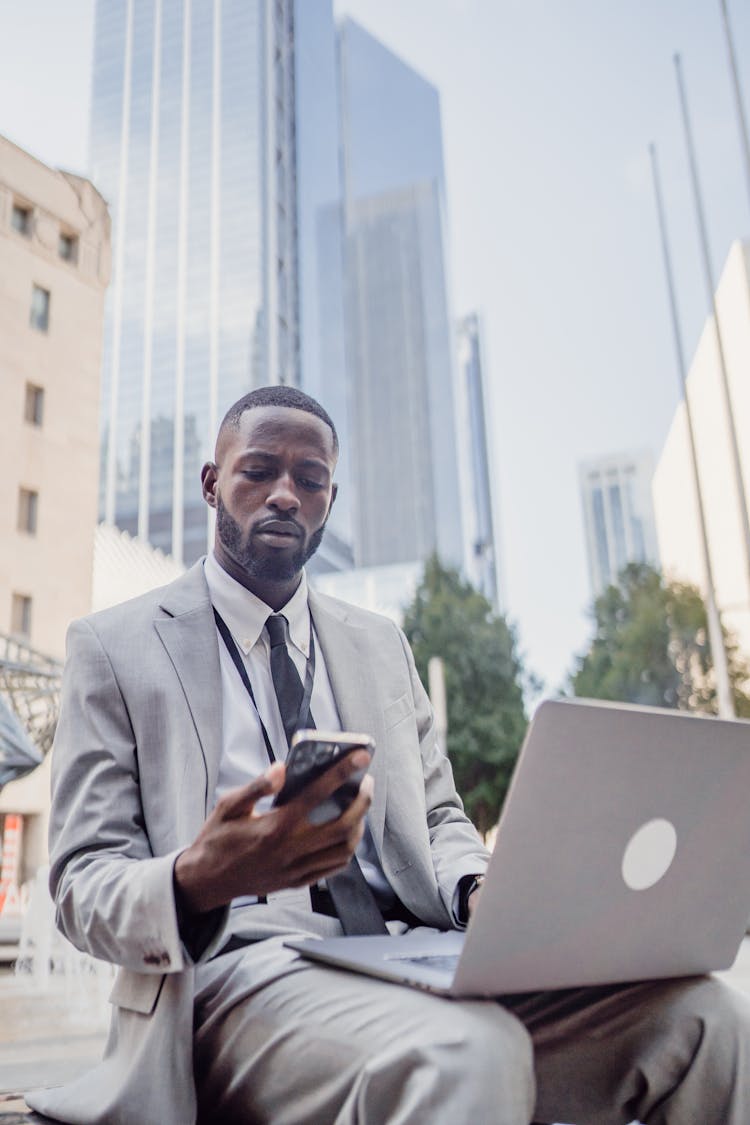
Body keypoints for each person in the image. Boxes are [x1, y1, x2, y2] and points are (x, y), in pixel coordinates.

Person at [28, 386, 750, 1125]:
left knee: (705, 1020)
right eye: (258, 470)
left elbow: (437, 814)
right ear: (212, 483)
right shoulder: (115, 645)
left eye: (309, 479)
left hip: (412, 952)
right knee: (469, 1049)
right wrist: (198, 877)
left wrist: (476, 888)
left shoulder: (380, 644)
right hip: (234, 970)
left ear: (329, 499)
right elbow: (82, 880)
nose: (285, 493)